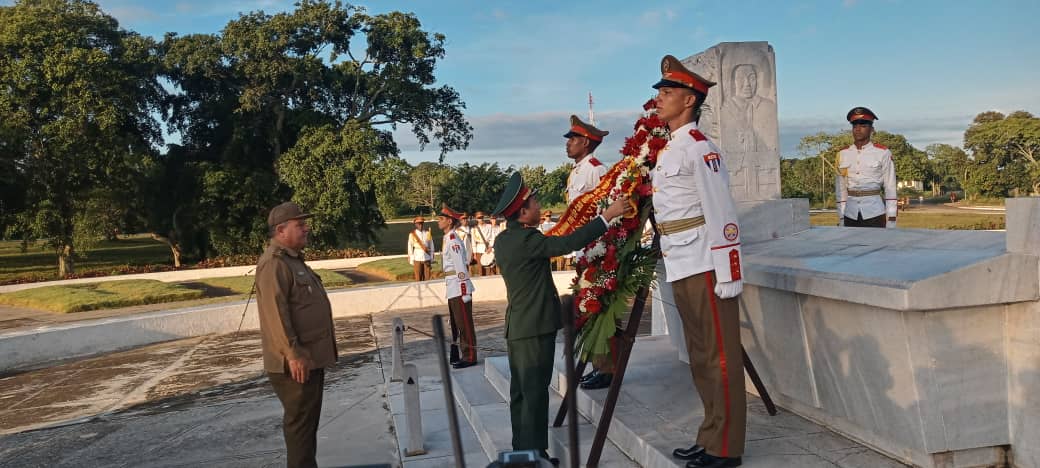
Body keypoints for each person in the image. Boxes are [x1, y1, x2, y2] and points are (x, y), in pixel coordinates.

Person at [492, 172, 629, 465]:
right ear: (523, 212)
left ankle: (524, 453)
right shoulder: (528, 239)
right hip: (533, 327)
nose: (540, 207)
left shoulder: (506, 239)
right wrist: (608, 215)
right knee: (534, 394)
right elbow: (567, 243)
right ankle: (535, 456)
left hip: (520, 326)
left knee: (521, 394)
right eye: (535, 203)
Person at [651, 55, 746, 468]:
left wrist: (729, 271)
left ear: (689, 100)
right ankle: (710, 436)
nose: (659, 99)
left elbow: (722, 213)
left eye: (667, 92)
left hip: (706, 262)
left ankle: (726, 447)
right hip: (681, 260)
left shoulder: (701, 150)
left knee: (719, 356)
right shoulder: (671, 148)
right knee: (700, 354)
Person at [255, 202, 338, 468]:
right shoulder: (274, 264)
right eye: (299, 225)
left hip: (308, 358)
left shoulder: (291, 260)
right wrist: (293, 353)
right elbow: (275, 316)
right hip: (295, 363)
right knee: (300, 429)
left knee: (306, 428)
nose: (306, 228)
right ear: (281, 230)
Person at [835, 107, 898, 228]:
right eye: (855, 126)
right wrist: (841, 216)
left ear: (872, 129)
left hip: (874, 212)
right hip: (850, 213)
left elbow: (890, 186)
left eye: (863, 125)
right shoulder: (843, 154)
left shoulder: (883, 153)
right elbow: (841, 188)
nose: (858, 129)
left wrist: (891, 218)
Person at [436, 204, 478, 369]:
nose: (438, 221)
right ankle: (460, 354)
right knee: (456, 323)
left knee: (464, 324)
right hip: (452, 285)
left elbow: (460, 266)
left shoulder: (453, 239)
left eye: (441, 219)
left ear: (449, 221)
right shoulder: (448, 238)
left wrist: (463, 289)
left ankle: (470, 356)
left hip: (459, 286)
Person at [407, 216, 434, 280]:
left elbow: (431, 245)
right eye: (418, 223)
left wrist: (431, 257)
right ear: (415, 224)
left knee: (427, 278)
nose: (420, 225)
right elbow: (410, 247)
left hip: (427, 257)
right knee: (418, 278)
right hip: (417, 257)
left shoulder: (427, 233)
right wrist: (411, 258)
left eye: (421, 223)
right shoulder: (412, 234)